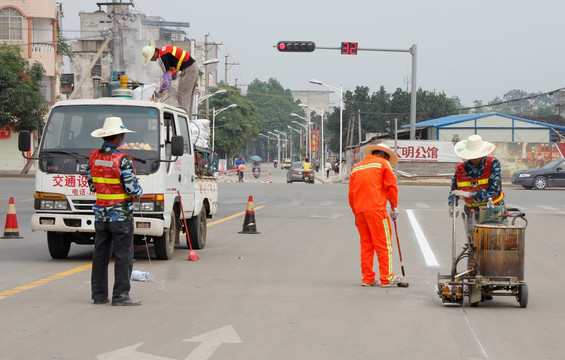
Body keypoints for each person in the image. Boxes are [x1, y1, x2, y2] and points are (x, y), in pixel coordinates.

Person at [86, 117, 144, 306]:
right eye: (122, 135)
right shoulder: (123, 159)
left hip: (101, 214)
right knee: (123, 256)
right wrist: (139, 191)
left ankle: (99, 295)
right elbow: (131, 188)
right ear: (118, 137)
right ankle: (120, 296)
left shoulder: (94, 156)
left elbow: (92, 185)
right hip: (121, 216)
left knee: (100, 255)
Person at [348, 143, 400, 287]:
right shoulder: (383, 164)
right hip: (376, 209)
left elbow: (351, 193)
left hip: (360, 211)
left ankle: (368, 278)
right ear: (384, 155)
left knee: (366, 245)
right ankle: (386, 277)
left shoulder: (356, 168)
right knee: (384, 244)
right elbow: (391, 186)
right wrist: (394, 206)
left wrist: (356, 212)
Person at [449, 134, 505, 236]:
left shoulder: (493, 164)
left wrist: (471, 195)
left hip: (493, 209)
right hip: (472, 211)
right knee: (475, 240)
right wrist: (452, 205)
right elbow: (454, 190)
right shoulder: (461, 169)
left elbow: (494, 190)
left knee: (495, 239)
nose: (474, 158)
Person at [142, 40, 199, 118]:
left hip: (188, 69)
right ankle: (188, 119)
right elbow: (173, 75)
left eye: (150, 58)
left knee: (182, 97)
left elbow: (168, 79)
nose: (151, 61)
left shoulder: (161, 57)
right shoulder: (164, 51)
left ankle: (185, 121)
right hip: (192, 68)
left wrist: (159, 93)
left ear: (153, 54)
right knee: (188, 97)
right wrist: (169, 87)